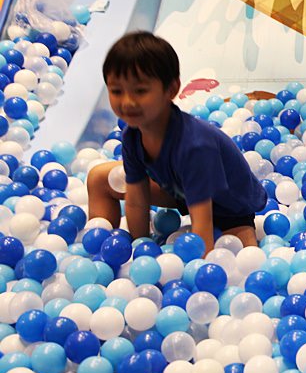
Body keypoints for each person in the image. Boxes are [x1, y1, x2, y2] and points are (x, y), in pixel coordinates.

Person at [87, 31, 266, 254]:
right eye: (116, 91)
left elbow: (202, 222)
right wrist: (137, 250)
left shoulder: (194, 146)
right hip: (180, 191)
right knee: (99, 178)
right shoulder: (133, 135)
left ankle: (243, 233)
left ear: (171, 89)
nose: (128, 102)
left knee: (239, 257)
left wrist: (201, 268)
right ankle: (96, 250)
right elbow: (136, 200)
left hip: (229, 208)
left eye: (140, 91)